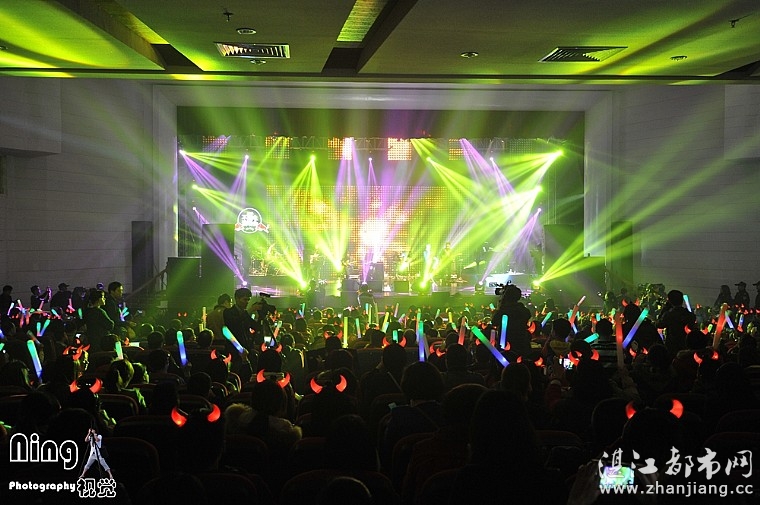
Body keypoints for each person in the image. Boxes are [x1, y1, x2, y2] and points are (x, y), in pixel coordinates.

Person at [490, 283, 532, 357]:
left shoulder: (504, 311)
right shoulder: (524, 310)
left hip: (505, 344)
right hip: (521, 342)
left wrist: (499, 307)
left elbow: (494, 322)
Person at [656, 289, 697, 357]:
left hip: (672, 346)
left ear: (670, 301)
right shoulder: (689, 315)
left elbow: (659, 324)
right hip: (686, 345)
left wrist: (665, 309)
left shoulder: (669, 315)